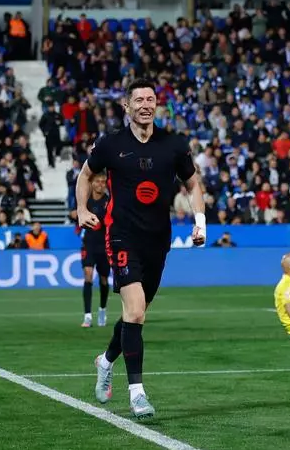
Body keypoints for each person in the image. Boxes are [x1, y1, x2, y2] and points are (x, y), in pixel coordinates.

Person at [77, 78, 207, 420]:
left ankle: (105, 361)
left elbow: (193, 183)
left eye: (151, 100)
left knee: (135, 314)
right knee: (135, 312)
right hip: (121, 235)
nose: (146, 105)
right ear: (127, 106)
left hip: (158, 240)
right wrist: (82, 209)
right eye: (139, 100)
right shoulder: (111, 144)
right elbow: (85, 175)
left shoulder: (173, 144)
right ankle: (137, 394)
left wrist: (200, 222)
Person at [80, 172, 112, 328]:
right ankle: (87, 316)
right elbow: (76, 214)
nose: (100, 184)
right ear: (92, 183)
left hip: (104, 245)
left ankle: (102, 310)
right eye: (98, 181)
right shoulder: (85, 201)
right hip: (89, 244)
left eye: (103, 182)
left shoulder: (109, 202)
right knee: (88, 275)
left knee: (104, 279)